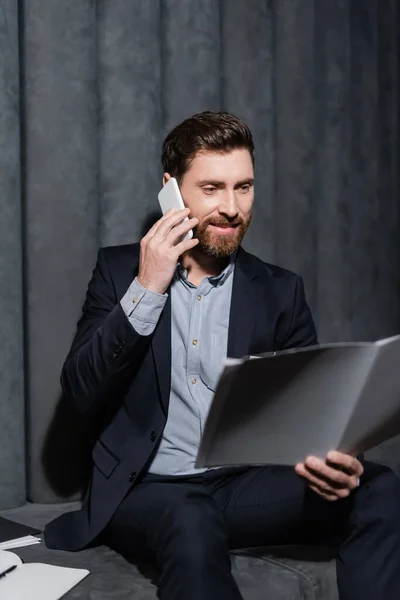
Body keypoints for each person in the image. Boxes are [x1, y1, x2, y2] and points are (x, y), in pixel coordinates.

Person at [45, 111, 400, 599]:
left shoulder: (279, 290)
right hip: (150, 490)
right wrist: (148, 287)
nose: (233, 208)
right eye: (212, 188)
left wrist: (337, 456)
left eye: (244, 187)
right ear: (172, 190)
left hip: (243, 487)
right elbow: (81, 389)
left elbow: (315, 405)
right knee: (191, 517)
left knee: (380, 488)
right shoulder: (117, 271)